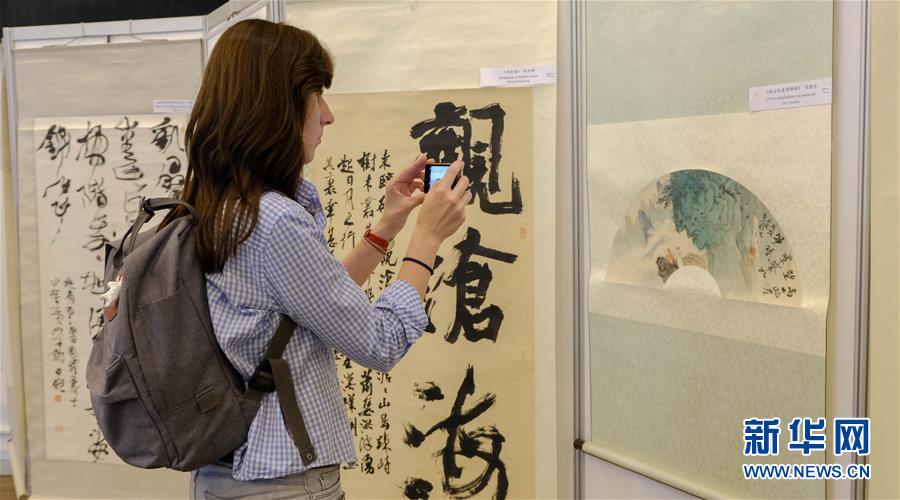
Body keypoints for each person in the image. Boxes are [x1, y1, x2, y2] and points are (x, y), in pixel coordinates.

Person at [168, 19, 471, 499]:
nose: (327, 116)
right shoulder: (273, 221)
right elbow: (381, 342)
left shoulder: (216, 202)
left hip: (228, 475)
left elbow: (309, 309)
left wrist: (386, 227)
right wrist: (427, 238)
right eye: (317, 96)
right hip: (281, 486)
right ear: (277, 106)